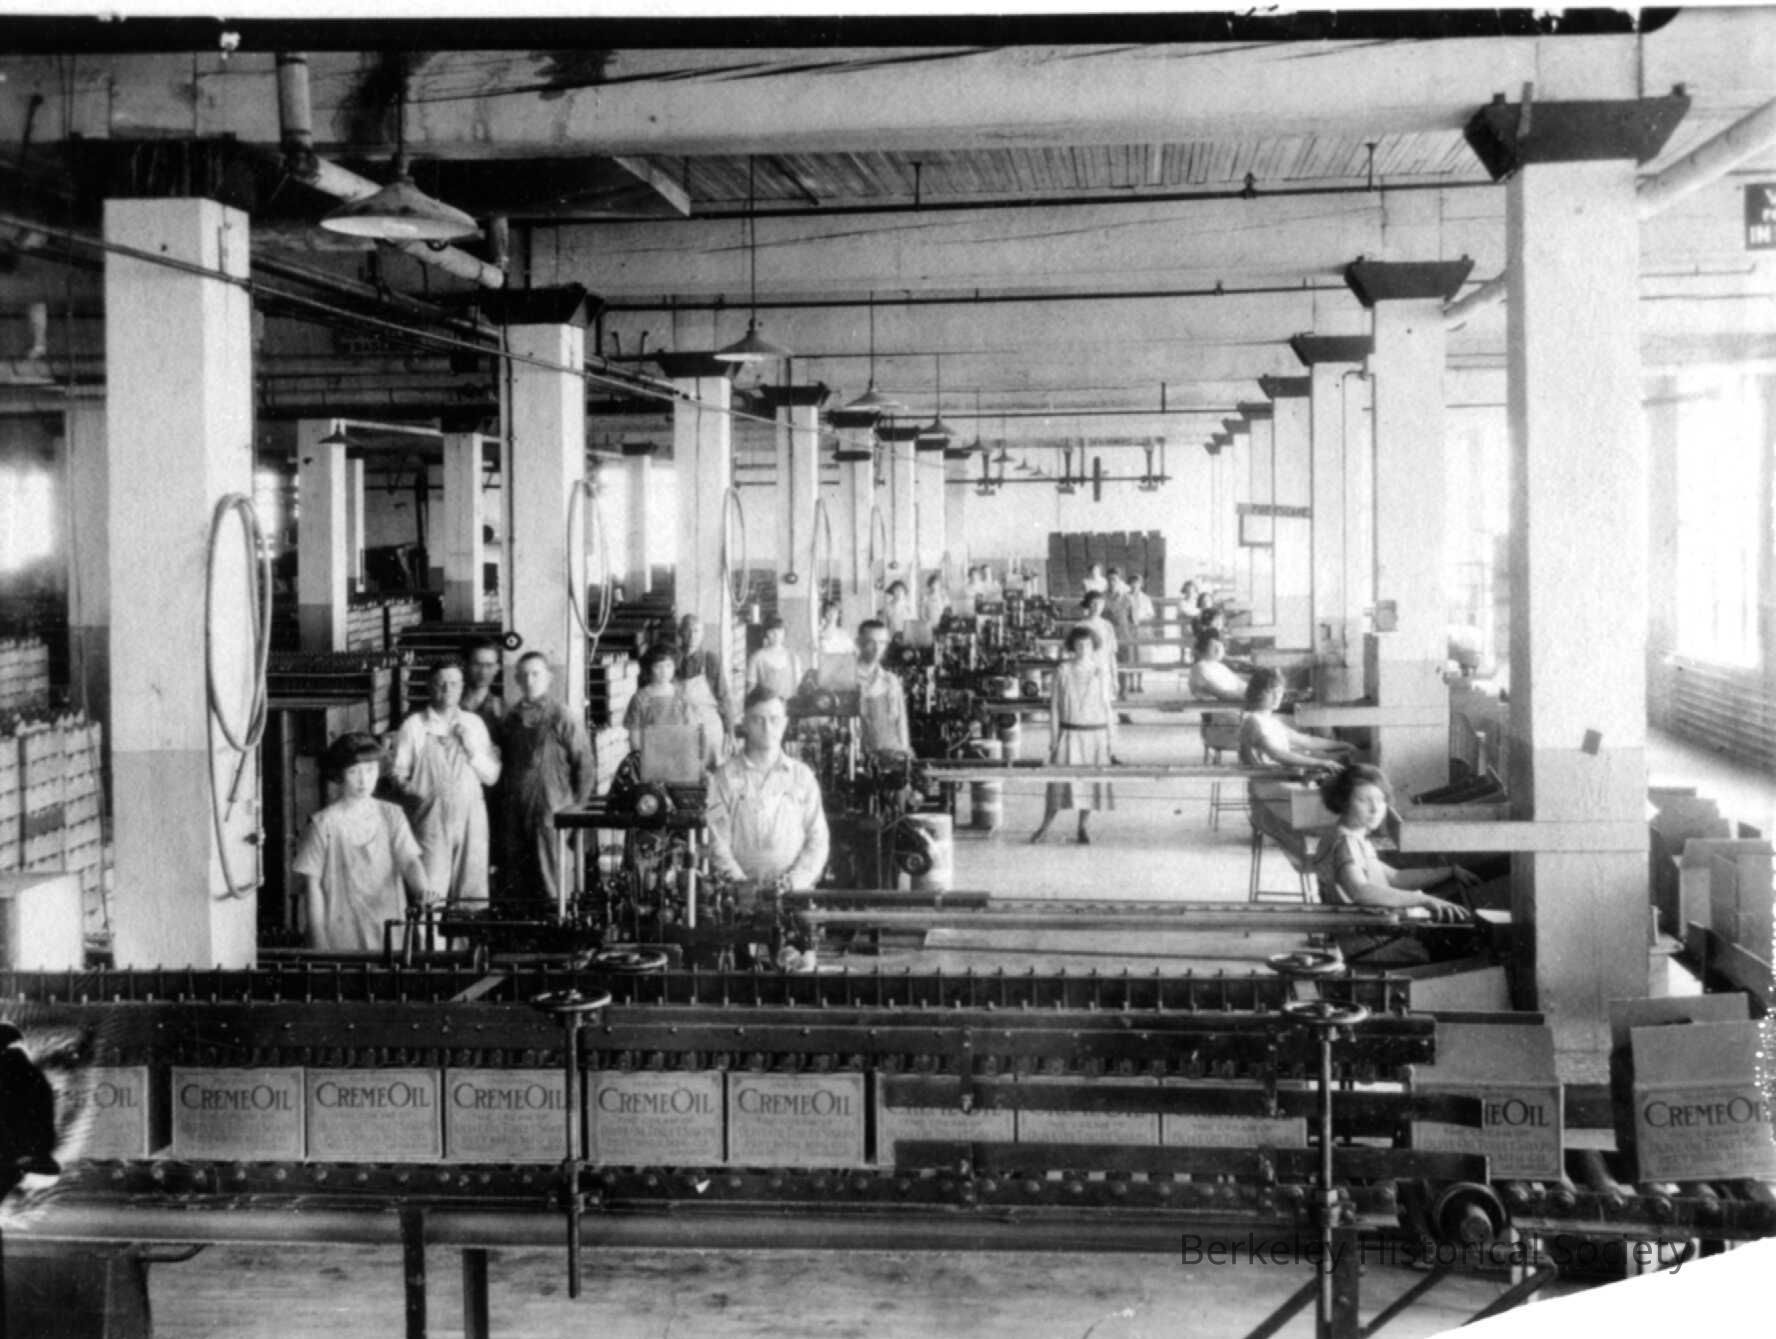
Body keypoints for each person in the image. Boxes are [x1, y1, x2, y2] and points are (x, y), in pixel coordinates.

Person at [1313, 764, 1476, 964]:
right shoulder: (1345, 843)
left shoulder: (1350, 837)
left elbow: (1395, 877)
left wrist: (1449, 871)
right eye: (1363, 800)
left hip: (1375, 936)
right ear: (1343, 802)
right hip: (1376, 944)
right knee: (1469, 944)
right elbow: (1361, 891)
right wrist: (1422, 899)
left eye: (1380, 800)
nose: (1375, 809)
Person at [292, 732, 431, 950]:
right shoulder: (323, 824)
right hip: (340, 933)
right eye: (353, 771)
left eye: (370, 770)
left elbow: (409, 861)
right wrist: (319, 941)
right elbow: (313, 885)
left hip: (387, 927)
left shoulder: (392, 815)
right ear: (340, 774)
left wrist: (423, 890)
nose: (363, 780)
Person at [390, 659, 502, 911]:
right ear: (430, 687)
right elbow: (398, 775)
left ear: (462, 687)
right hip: (431, 821)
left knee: (471, 899)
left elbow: (491, 776)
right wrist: (419, 794)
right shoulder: (414, 726)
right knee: (429, 894)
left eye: (453, 683)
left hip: (471, 819)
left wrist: (471, 749)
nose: (447, 689)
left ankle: (468, 938)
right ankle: (428, 938)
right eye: (441, 683)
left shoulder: (474, 724)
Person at [705, 686, 830, 897]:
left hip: (794, 896)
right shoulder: (722, 779)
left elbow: (818, 840)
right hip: (738, 899)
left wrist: (794, 882)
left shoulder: (802, 777)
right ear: (745, 723)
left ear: (785, 723)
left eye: (774, 719)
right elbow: (715, 840)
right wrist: (742, 887)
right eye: (758, 720)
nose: (767, 728)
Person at [499, 652, 594, 913]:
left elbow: (585, 765)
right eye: (524, 675)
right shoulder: (511, 719)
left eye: (536, 674)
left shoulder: (562, 716)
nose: (529, 680)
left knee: (553, 879)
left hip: (551, 809)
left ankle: (561, 924)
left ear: (549, 677)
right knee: (518, 879)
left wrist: (578, 807)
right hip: (516, 811)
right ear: (517, 679)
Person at [1030, 625, 1115, 845]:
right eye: (1079, 644)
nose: (1083, 649)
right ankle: (1044, 827)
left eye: (1087, 644)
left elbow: (1107, 706)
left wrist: (1111, 739)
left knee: (1090, 784)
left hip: (1095, 734)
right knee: (1058, 784)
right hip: (1069, 733)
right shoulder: (1063, 670)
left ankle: (1082, 827)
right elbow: (1054, 707)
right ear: (1072, 647)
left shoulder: (1100, 671)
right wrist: (1053, 738)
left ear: (1093, 646)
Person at [1237, 667, 1353, 772]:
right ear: (1258, 693)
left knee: (1343, 758)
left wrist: (1343, 745)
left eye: (1279, 692)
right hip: (1267, 781)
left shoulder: (1271, 721)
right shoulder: (1253, 721)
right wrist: (1320, 763)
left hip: (1283, 775)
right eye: (1272, 692)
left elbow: (1307, 741)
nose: (1277, 697)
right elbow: (1277, 754)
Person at [624, 643, 715, 766]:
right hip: (650, 762)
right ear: (650, 668)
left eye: (668, 666)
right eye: (658, 666)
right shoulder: (640, 699)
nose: (664, 672)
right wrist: (643, 761)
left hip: (679, 760)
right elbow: (634, 737)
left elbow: (691, 730)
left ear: (674, 667)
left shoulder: (681, 696)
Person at [676, 612, 734, 758]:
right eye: (688, 630)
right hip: (681, 729)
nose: (692, 636)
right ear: (680, 632)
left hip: (709, 729)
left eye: (696, 631)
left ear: (702, 634)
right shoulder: (673, 660)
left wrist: (730, 731)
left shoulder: (710, 660)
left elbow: (723, 697)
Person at [854, 618, 910, 754]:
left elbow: (901, 724)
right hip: (854, 756)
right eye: (871, 642)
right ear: (858, 642)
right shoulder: (845, 679)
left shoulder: (891, 681)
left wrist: (904, 752)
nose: (877, 648)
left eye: (882, 643)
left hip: (889, 754)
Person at [746, 615, 804, 700]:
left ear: (784, 633)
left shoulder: (793, 657)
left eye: (780, 631)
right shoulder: (757, 657)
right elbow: (751, 688)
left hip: (790, 705)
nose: (776, 635)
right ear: (765, 633)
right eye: (772, 632)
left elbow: (798, 686)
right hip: (766, 705)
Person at [460, 638, 506, 736]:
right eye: (477, 664)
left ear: (497, 668)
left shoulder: (503, 709)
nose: (483, 672)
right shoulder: (451, 704)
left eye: (489, 665)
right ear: (465, 665)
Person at [1103, 568, 1137, 697]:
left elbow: (1133, 620)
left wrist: (1129, 635)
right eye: (1109, 579)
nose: (1111, 582)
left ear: (1119, 581)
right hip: (1106, 636)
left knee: (1122, 665)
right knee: (1106, 665)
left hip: (1122, 636)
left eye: (1114, 579)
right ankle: (1108, 693)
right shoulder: (1101, 597)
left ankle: (1123, 691)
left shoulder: (1127, 598)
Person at [1188, 633, 1249, 702]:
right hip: (1217, 706)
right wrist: (1250, 695)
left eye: (1219, 647)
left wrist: (1253, 690)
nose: (1219, 651)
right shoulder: (1200, 668)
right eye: (1215, 648)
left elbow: (1239, 684)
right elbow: (1222, 693)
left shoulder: (1217, 665)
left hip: (1232, 702)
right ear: (1202, 650)